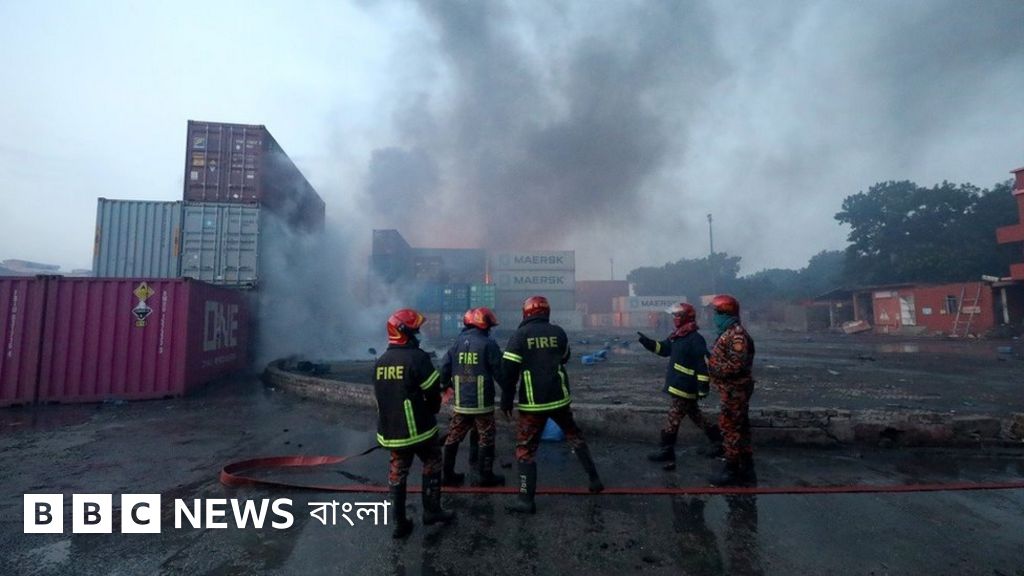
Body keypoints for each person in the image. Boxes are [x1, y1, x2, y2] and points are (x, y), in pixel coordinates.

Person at [501, 295, 603, 514]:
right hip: (559, 399)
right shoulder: (558, 332)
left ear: (526, 312)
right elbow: (564, 357)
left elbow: (508, 371)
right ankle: (594, 479)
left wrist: (506, 400)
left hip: (533, 403)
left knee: (525, 449)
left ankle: (525, 500)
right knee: (574, 436)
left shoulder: (520, 335)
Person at [373, 308, 455, 538]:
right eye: (415, 330)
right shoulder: (417, 358)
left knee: (398, 471)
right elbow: (433, 391)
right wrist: (433, 408)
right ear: (404, 332)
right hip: (419, 429)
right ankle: (432, 511)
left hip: (391, 431)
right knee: (432, 461)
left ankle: (399, 523)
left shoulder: (381, 361)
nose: (418, 334)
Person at [637, 302, 722, 470]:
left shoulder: (695, 339)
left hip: (686, 387)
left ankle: (667, 450)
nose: (674, 318)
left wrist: (703, 386)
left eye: (677, 315)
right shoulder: (677, 335)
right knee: (696, 416)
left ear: (685, 317)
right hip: (679, 385)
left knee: (673, 418)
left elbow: (702, 364)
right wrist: (647, 343)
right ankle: (718, 442)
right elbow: (664, 349)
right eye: (674, 315)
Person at [439, 307, 506, 487]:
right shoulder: (488, 344)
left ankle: (447, 475)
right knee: (486, 437)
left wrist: (445, 385)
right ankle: (485, 476)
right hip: (482, 403)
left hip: (461, 403)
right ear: (484, 325)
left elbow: (444, 367)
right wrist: (508, 390)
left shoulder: (457, 343)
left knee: (454, 436)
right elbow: (500, 372)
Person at [706, 295, 757, 486]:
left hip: (735, 389)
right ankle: (746, 466)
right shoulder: (728, 332)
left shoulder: (736, 335)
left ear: (725, 313)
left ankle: (732, 470)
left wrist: (713, 367)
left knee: (730, 427)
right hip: (731, 389)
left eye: (716, 313)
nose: (714, 317)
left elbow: (736, 365)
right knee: (740, 427)